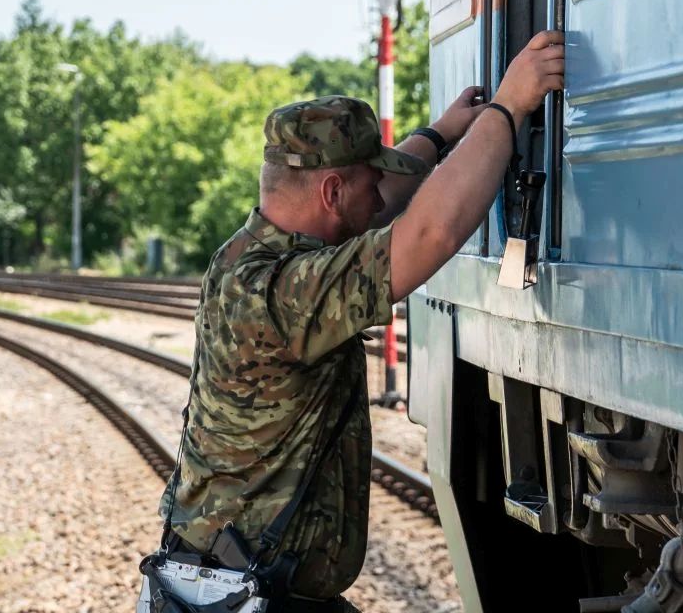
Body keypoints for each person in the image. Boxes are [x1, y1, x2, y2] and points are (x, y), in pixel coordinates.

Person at [156, 31, 566, 612]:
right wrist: (509, 107)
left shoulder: (247, 255)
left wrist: (442, 135)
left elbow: (384, 203)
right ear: (331, 191)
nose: (381, 198)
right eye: (370, 181)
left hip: (242, 580)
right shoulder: (284, 292)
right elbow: (429, 233)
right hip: (248, 594)